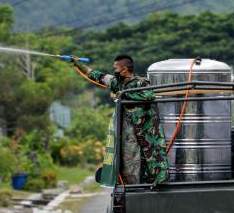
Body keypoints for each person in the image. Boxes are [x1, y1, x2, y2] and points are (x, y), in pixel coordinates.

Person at [71, 55, 169, 186]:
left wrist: (122, 94)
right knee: (128, 164)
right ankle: (131, 189)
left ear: (124, 70)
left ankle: (151, 186)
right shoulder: (116, 82)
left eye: (115, 68)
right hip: (127, 134)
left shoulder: (141, 83)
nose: (114, 71)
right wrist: (80, 65)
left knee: (152, 163)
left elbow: (148, 95)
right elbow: (98, 76)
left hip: (147, 134)